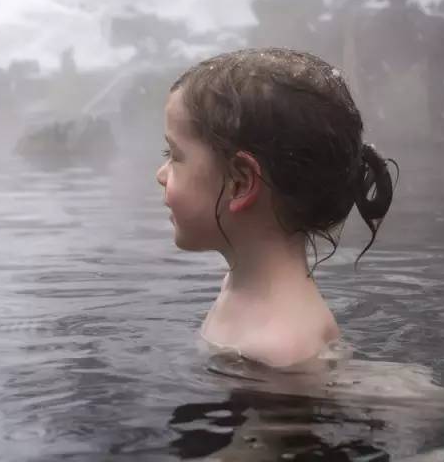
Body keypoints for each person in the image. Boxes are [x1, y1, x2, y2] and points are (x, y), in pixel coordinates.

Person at [155, 48, 395, 369]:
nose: (161, 174)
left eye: (175, 155)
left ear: (240, 182)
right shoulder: (243, 287)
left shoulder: (278, 352)